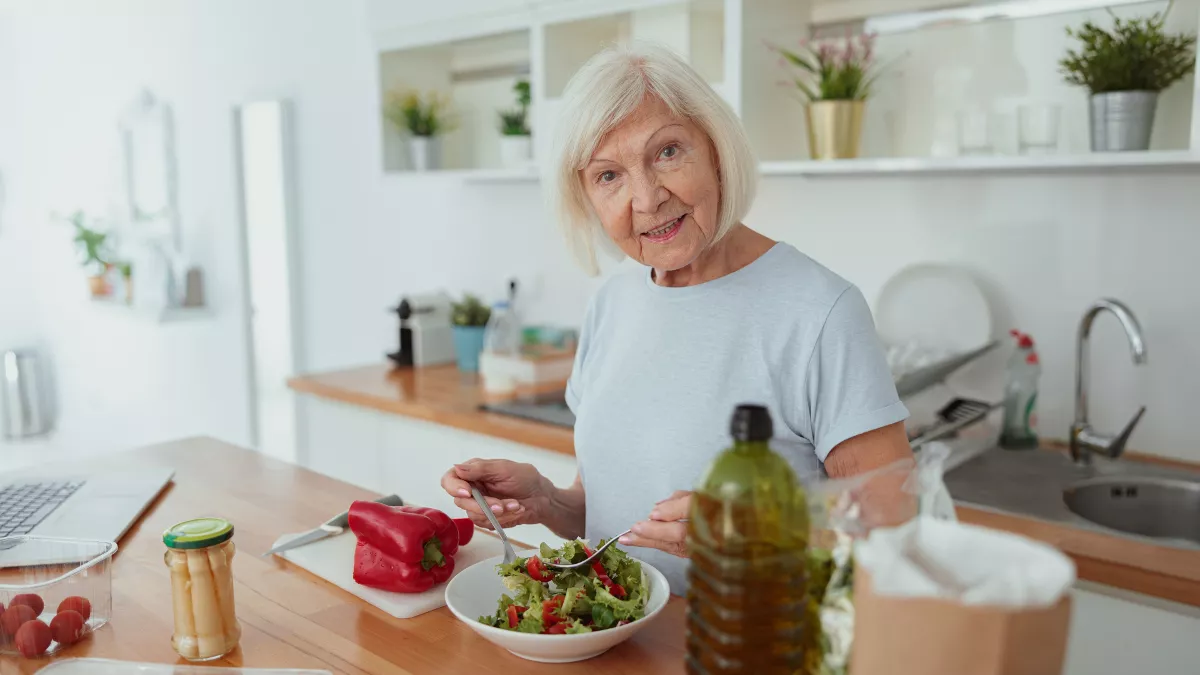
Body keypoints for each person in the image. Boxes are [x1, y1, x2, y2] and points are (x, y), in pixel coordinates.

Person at [442, 42, 912, 593]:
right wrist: (548, 501)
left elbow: (895, 535)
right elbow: (613, 511)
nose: (647, 199)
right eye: (608, 176)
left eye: (667, 152)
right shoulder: (612, 304)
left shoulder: (821, 311)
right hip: (623, 634)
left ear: (715, 149)